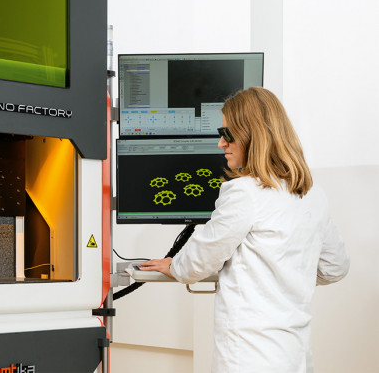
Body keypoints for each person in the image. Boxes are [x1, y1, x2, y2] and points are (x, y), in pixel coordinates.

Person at [140, 87, 350, 373]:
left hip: (249, 357)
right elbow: (336, 267)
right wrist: (285, 273)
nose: (220, 144)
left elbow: (199, 262)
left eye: (227, 134)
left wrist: (174, 265)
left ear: (253, 135)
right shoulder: (312, 195)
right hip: (295, 357)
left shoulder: (244, 192)